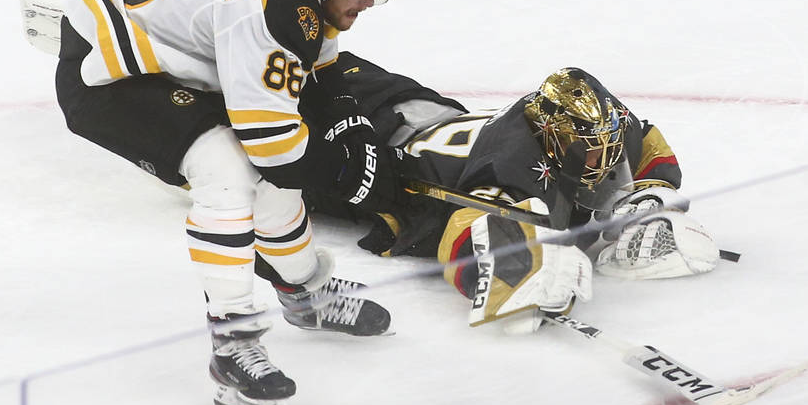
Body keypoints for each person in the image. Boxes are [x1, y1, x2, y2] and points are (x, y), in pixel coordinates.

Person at [33, 0, 407, 405]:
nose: (370, 0)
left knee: (275, 167)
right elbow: (273, 148)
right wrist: (344, 173)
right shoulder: (269, 14)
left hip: (165, 49)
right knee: (229, 171)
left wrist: (346, 118)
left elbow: (316, 69)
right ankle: (233, 351)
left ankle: (302, 294)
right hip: (105, 71)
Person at [303, 55, 722, 334]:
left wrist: (650, 193)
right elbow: (463, 232)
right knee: (271, 125)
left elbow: (646, 141)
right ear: (554, 138)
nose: (604, 156)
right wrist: (512, 270)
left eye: (607, 142)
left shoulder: (603, 123)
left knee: (326, 62)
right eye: (589, 148)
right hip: (369, 150)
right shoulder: (509, 168)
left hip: (409, 103)